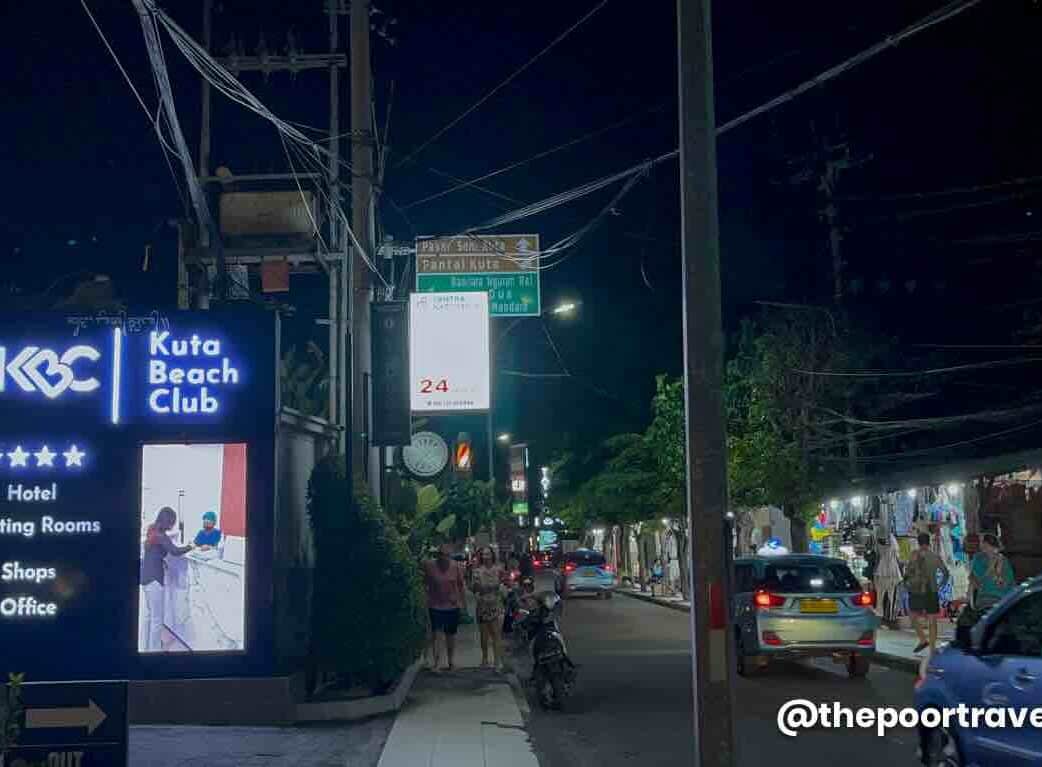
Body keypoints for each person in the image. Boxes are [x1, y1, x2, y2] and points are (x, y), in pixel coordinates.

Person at [140, 507, 194, 652]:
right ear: (168, 521)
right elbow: (175, 551)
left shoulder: (152, 530)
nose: (173, 524)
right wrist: (191, 546)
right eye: (172, 522)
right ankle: (155, 651)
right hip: (154, 580)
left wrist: (161, 560)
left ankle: (146, 648)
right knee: (157, 619)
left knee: (149, 616)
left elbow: (153, 552)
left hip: (145, 577)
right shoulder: (161, 536)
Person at [904, 531, 951, 653]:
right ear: (929, 542)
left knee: (912, 615)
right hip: (932, 590)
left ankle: (922, 639)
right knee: (932, 620)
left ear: (918, 542)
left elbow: (908, 572)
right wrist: (939, 585)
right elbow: (946, 573)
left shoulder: (914, 555)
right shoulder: (935, 556)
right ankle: (932, 648)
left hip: (917, 590)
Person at [424, 543, 467, 672]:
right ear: (438, 555)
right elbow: (425, 584)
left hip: (452, 606)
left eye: (447, 555)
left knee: (450, 635)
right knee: (437, 634)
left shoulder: (456, 567)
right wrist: (425, 600)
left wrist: (463, 604)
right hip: (435, 605)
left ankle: (451, 661)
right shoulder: (430, 566)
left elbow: (461, 586)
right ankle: (437, 663)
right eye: (441, 555)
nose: (444, 557)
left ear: (450, 556)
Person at [471, 546, 507, 671]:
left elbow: (505, 583)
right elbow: (474, 588)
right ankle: (485, 658)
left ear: (492, 555)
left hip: (496, 605)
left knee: (496, 634)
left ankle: (497, 661)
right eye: (483, 554)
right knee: (484, 635)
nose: (485, 557)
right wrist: (478, 590)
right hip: (482, 605)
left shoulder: (499, 569)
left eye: (488, 554)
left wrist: (502, 588)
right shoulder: (477, 571)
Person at [969, 532, 1016, 612]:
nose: (979, 544)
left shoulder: (1004, 560)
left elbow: (1006, 583)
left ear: (987, 544)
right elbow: (980, 579)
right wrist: (992, 566)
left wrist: (998, 571)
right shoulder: (979, 558)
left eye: (981, 542)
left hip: (1002, 599)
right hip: (986, 598)